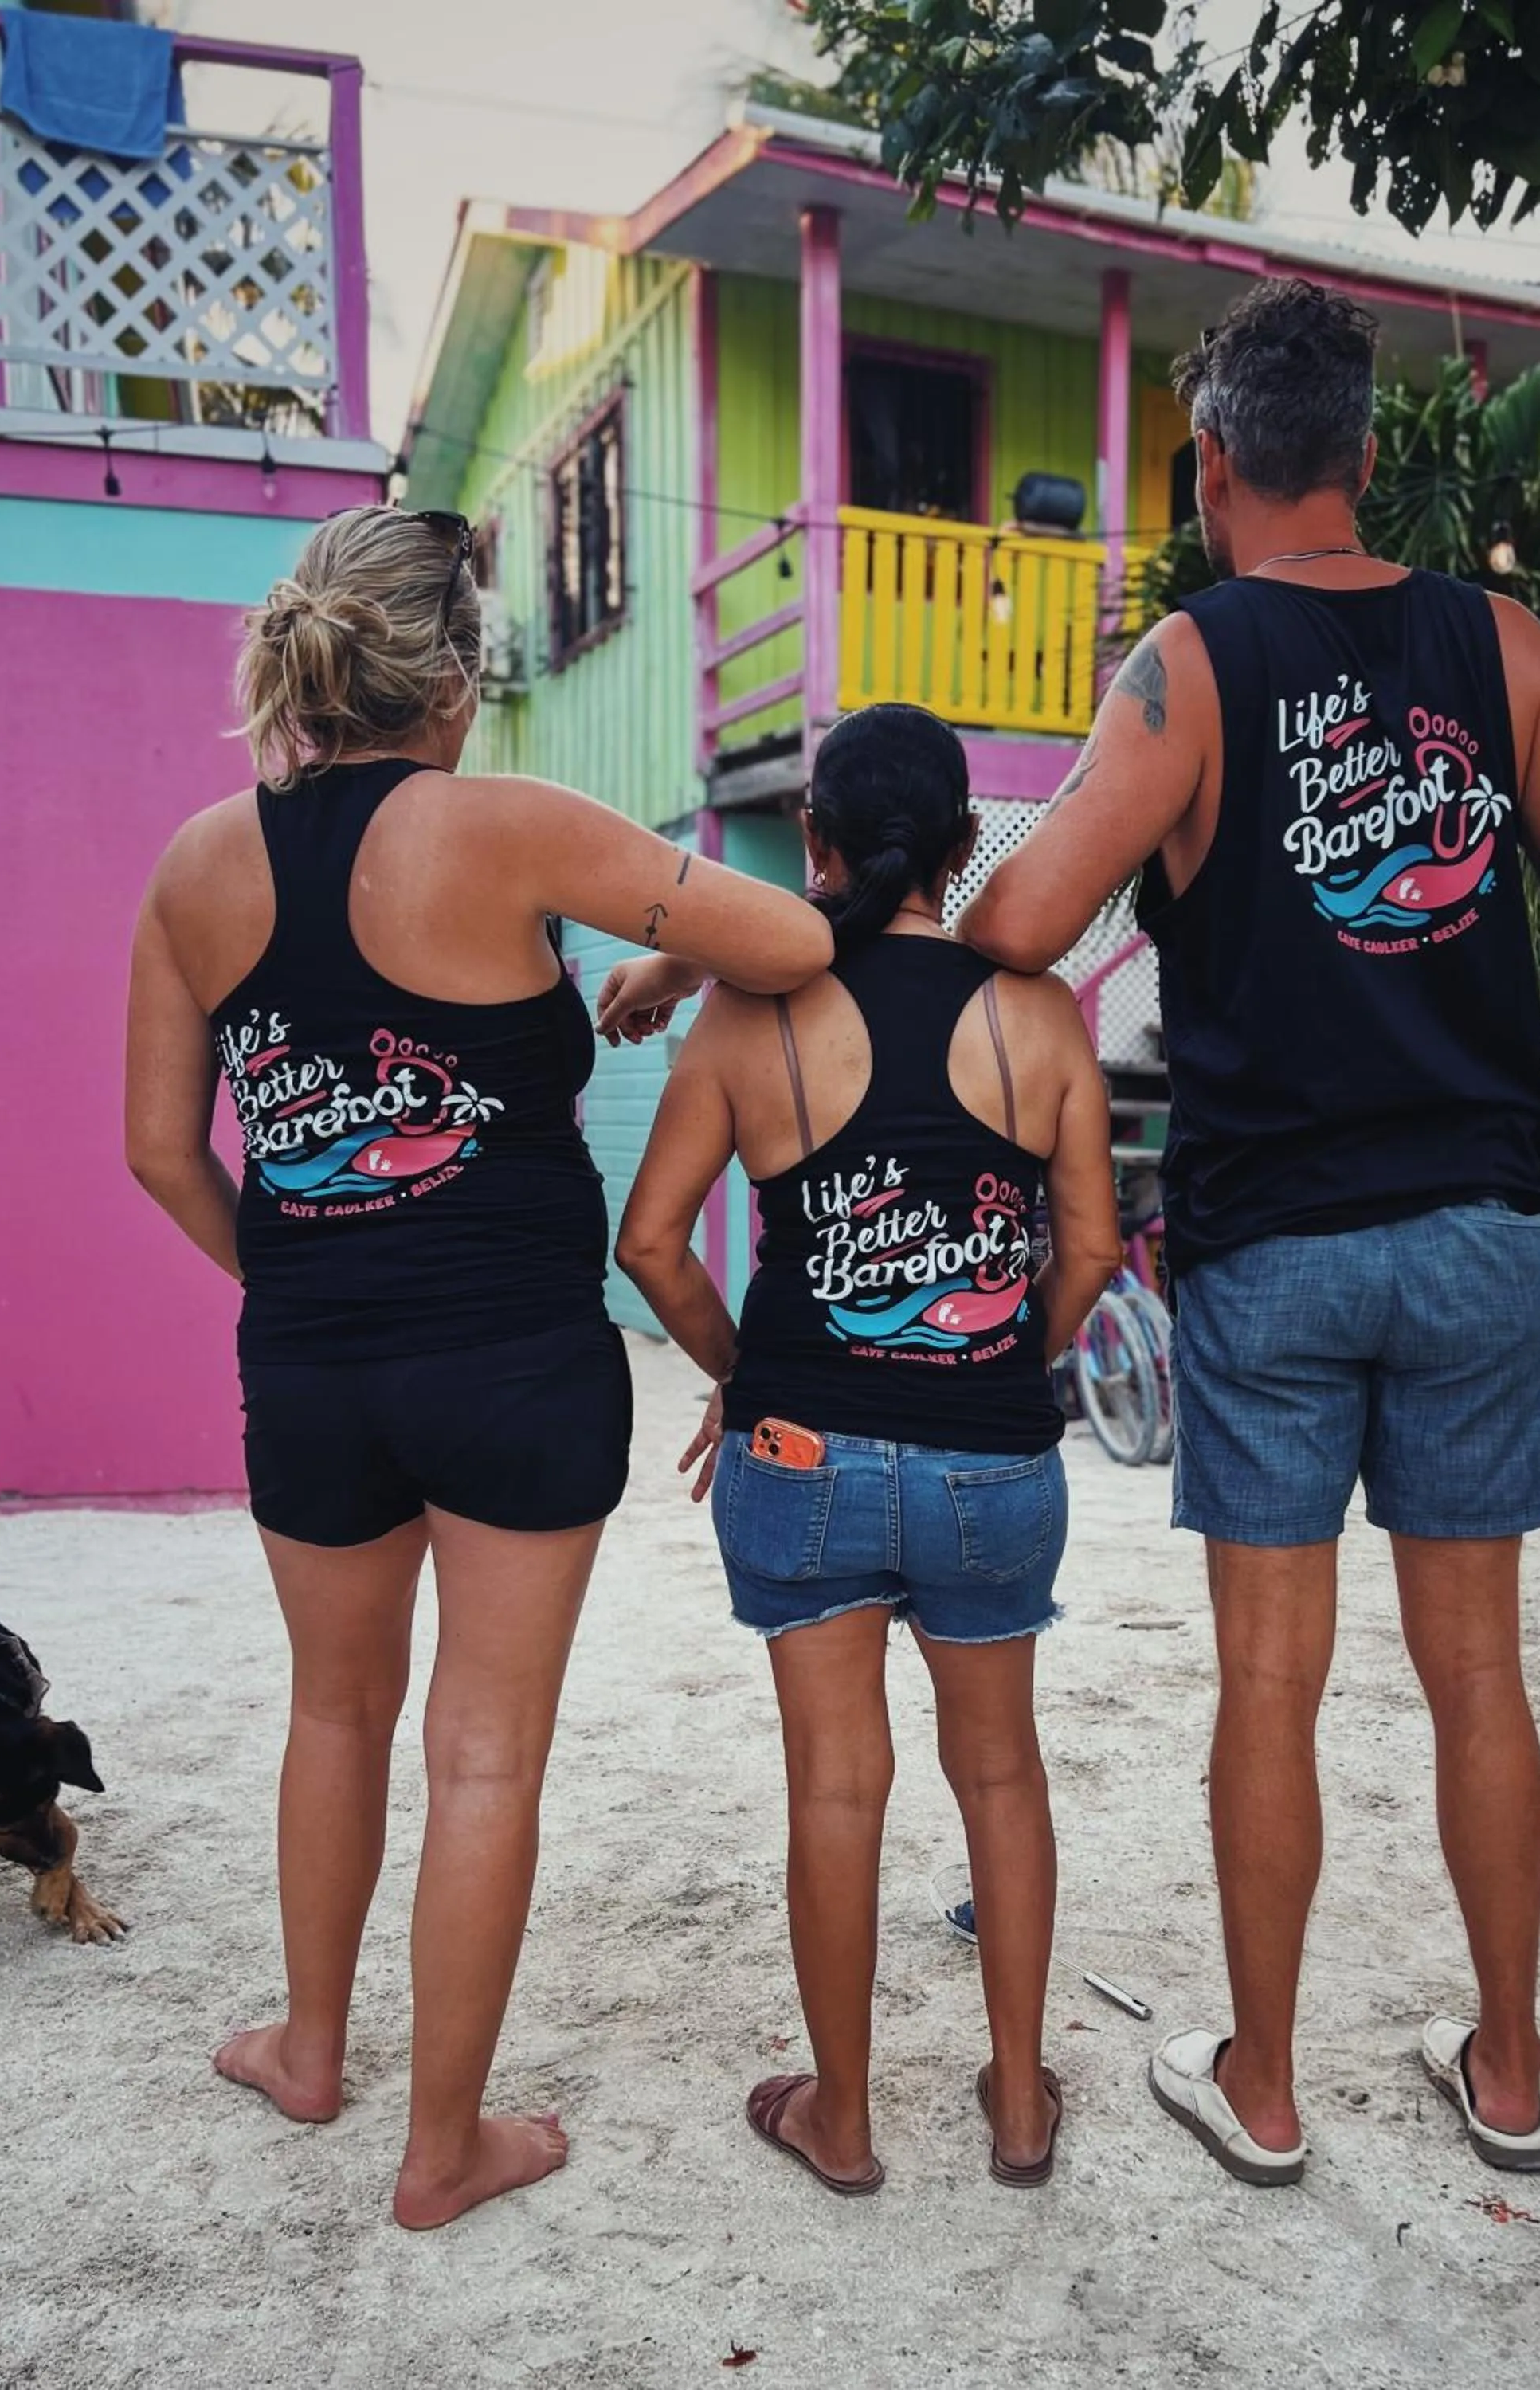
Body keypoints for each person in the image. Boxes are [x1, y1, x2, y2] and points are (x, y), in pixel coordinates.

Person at [958, 280, 1540, 2184]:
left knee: (1267, 1682)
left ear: (1212, 467)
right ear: (1362, 455)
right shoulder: (1502, 646)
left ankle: (1261, 2088)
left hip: (1269, 1242)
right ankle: (1504, 2071)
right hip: (1474, 1234)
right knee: (1477, 1675)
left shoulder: (1185, 668)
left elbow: (1022, 920)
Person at [123, 504, 832, 2230]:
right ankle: (443, 2150)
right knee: (485, 1755)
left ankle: (309, 2050)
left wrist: (299, 1278)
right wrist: (667, 955)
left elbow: (156, 1150)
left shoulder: (199, 862)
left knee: (332, 1710)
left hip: (313, 1369)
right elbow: (801, 942)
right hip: (514, 1362)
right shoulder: (512, 826)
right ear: (453, 678)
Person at [610, 704, 1121, 2195]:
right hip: (992, 1470)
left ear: (813, 841)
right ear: (964, 847)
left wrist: (745, 1375)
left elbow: (650, 1246)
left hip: (800, 1454)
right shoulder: (1040, 1014)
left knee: (837, 1789)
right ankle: (1017, 2105)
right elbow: (1090, 1250)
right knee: (1001, 1779)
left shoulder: (747, 1017)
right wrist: (998, 1364)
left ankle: (840, 2119)